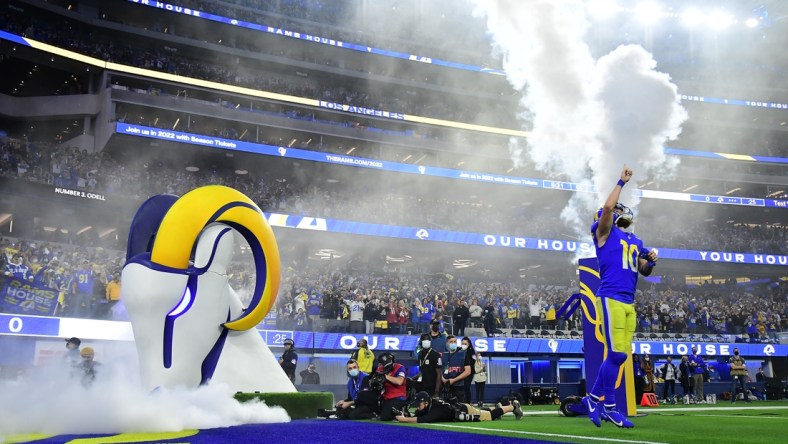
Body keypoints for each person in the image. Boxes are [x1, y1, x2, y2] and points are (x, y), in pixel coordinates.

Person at [581, 166, 658, 429]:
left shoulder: (635, 240)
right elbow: (606, 208)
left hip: (628, 301)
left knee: (620, 357)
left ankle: (593, 399)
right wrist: (621, 182)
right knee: (614, 353)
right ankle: (610, 406)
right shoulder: (604, 232)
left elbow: (643, 270)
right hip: (611, 297)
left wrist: (652, 261)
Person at [394, 391, 522, 423]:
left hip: (463, 411)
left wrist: (405, 419)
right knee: (483, 412)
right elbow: (420, 414)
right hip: (459, 408)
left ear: (426, 403)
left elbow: (423, 419)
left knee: (487, 416)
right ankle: (499, 407)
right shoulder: (431, 403)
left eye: (419, 405)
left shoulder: (437, 410)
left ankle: (512, 407)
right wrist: (407, 414)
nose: (418, 407)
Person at [374, 352, 408, 421]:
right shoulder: (380, 369)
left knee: (385, 417)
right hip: (384, 396)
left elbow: (399, 381)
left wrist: (385, 377)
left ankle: (404, 413)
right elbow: (376, 380)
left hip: (397, 396)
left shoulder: (400, 367)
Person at [441, 335, 472, 402]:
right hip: (446, 387)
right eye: (451, 342)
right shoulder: (443, 355)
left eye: (455, 341)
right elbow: (440, 370)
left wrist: (454, 380)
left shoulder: (463, 354)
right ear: (447, 344)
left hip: (459, 387)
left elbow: (468, 371)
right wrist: (443, 379)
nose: (453, 343)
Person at [414, 333, 443, 397]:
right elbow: (422, 371)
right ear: (421, 342)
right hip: (422, 386)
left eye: (428, 340)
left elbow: (439, 374)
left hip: (432, 387)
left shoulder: (436, 355)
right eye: (424, 340)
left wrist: (437, 391)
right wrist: (412, 379)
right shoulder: (420, 354)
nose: (426, 341)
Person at [461, 337, 476, 404]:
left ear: (469, 344)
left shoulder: (472, 351)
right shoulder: (460, 351)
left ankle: (468, 402)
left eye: (465, 343)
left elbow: (473, 361)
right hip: (461, 372)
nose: (464, 345)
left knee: (467, 387)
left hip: (469, 372)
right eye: (462, 343)